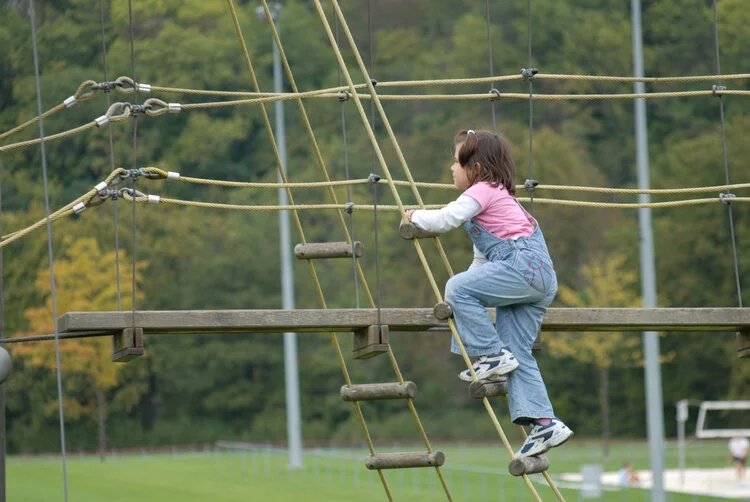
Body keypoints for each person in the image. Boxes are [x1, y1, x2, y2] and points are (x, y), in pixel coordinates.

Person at [404, 129, 572, 458]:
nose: (451, 168)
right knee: (517, 352)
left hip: (523, 268)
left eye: (456, 162)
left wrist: (415, 217)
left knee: (455, 287)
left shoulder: (484, 190)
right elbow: (483, 263)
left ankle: (489, 355)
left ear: (476, 168)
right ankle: (544, 422)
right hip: (537, 278)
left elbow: (445, 218)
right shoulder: (499, 201)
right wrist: (465, 293)